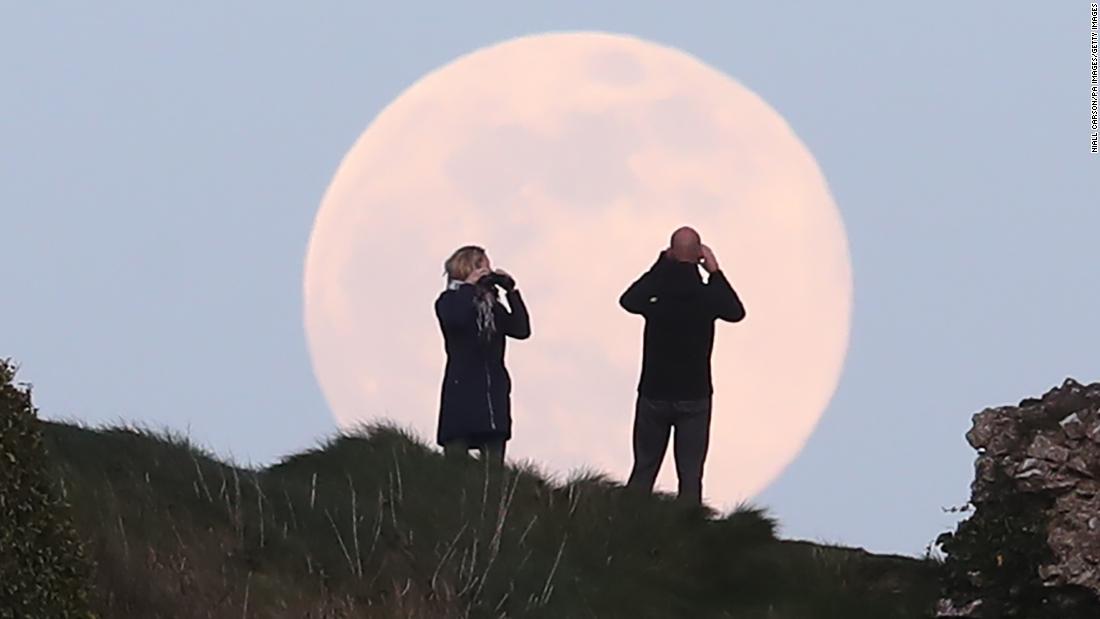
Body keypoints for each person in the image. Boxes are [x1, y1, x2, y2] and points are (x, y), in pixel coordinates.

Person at [619, 227, 746, 505]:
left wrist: (660, 265)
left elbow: (628, 300)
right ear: (699, 254)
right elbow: (736, 312)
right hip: (695, 395)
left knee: (644, 469)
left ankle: (626, 525)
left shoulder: (658, 291)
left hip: (654, 392)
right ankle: (688, 532)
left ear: (672, 253)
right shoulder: (707, 295)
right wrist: (715, 271)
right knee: (690, 476)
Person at [435, 245, 531, 467]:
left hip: (492, 395)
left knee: (493, 467)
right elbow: (456, 319)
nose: (488, 272)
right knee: (455, 465)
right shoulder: (449, 301)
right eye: (482, 266)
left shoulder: (493, 308)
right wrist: (469, 287)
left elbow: (521, 329)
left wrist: (511, 292)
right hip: (462, 392)